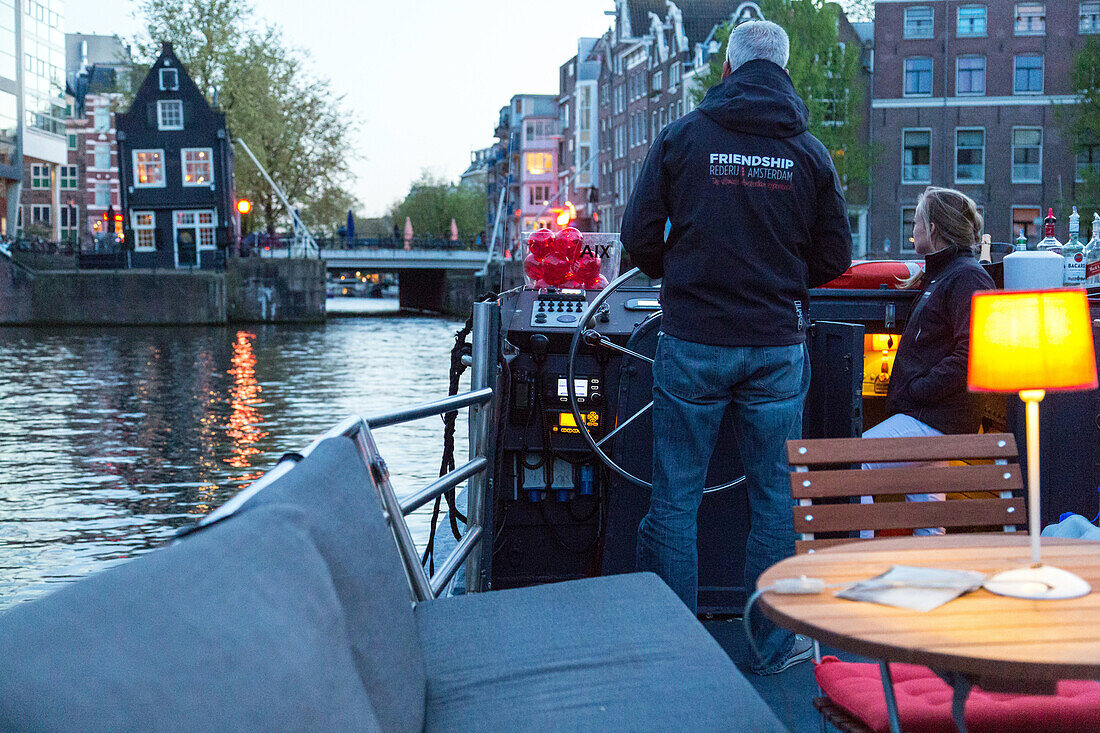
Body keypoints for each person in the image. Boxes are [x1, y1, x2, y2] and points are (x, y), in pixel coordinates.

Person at [620, 20, 852, 675]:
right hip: (777, 347)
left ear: (726, 69)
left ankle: (670, 646)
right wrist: (779, 277)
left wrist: (686, 272)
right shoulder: (808, 153)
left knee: (673, 502)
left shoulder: (682, 138)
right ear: (783, 72)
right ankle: (775, 645)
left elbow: (637, 238)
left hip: (692, 340)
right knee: (777, 502)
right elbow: (836, 254)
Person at [860, 187, 995, 534]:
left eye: (916, 222)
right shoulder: (946, 274)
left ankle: (852, 555)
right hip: (934, 416)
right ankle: (931, 578)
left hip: (934, 417)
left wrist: (917, 390)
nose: (913, 230)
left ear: (933, 229)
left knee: (856, 461)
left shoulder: (966, 276)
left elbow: (974, 353)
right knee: (929, 522)